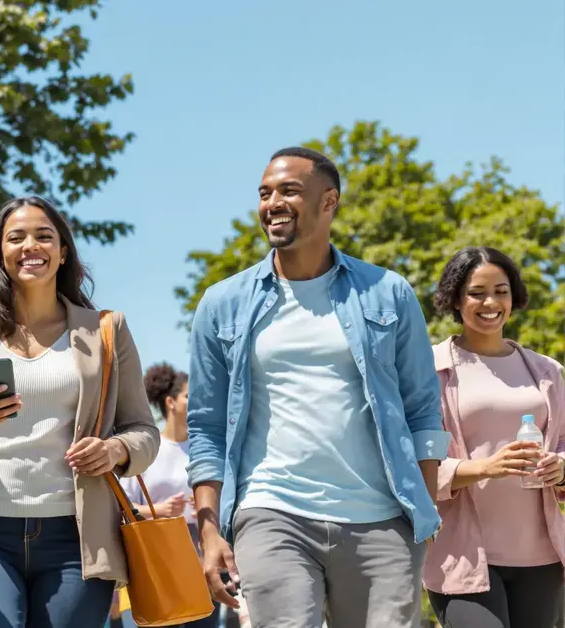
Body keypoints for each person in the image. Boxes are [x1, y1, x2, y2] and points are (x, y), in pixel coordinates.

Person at [187, 147, 450, 628]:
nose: (273, 203)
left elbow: (422, 410)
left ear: (329, 202)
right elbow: (205, 427)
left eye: (289, 191)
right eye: (265, 193)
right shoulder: (222, 304)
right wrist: (209, 533)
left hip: (381, 519)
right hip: (271, 512)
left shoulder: (387, 292)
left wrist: (422, 512)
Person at [0, 196, 160, 628]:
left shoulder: (106, 330)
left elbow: (144, 431)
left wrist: (115, 450)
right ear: (0, 253)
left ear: (63, 251)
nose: (31, 246)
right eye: (16, 238)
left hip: (77, 541)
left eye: (44, 236)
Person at [422, 246, 565, 628]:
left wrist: (561, 467)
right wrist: (487, 467)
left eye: (501, 291)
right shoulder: (427, 369)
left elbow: (563, 441)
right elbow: (413, 462)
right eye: (476, 292)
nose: (491, 302)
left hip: (542, 556)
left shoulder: (546, 372)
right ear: (455, 298)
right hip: (464, 557)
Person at [116, 363, 216, 628]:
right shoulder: (150, 450)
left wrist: (207, 507)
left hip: (197, 552)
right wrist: (160, 510)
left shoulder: (202, 449)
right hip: (157, 555)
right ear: (170, 402)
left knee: (203, 620)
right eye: (188, 395)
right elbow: (123, 507)